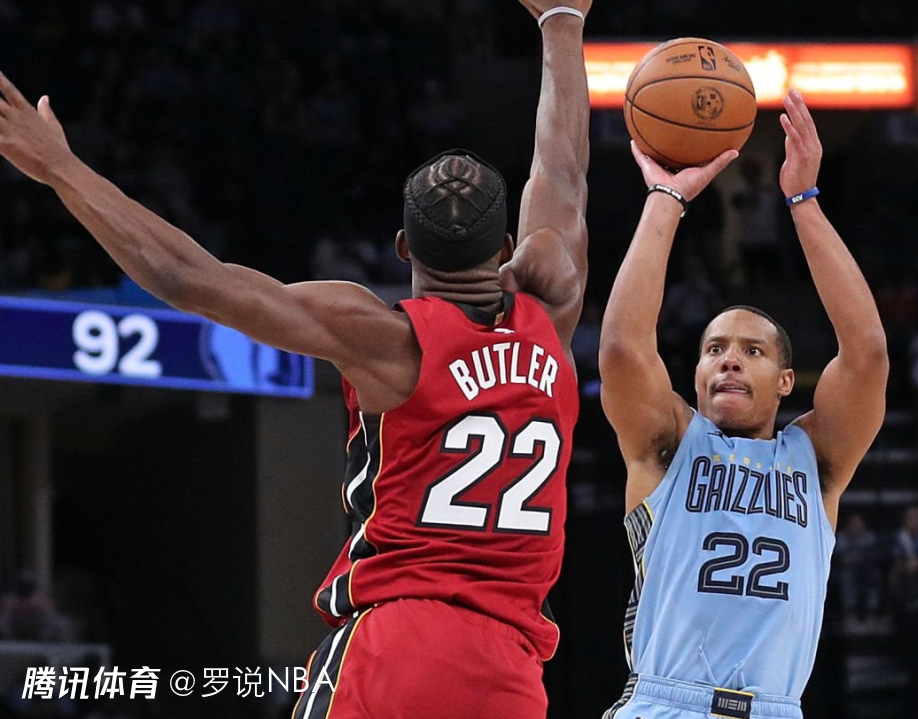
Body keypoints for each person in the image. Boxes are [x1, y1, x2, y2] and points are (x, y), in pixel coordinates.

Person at [0, 1, 591, 716]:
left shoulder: (387, 339)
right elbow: (562, 177)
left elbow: (187, 278)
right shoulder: (550, 322)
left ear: (403, 248)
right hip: (511, 670)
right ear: (505, 248)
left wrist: (60, 168)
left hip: (399, 642)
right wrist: (563, 21)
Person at [598, 89, 888, 719]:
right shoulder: (669, 446)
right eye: (715, 349)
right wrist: (665, 198)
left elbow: (866, 353)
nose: (729, 359)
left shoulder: (816, 460)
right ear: (696, 374)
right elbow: (621, 348)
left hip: (777, 707)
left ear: (786, 381)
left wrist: (804, 200)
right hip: (668, 702)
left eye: (752, 351)